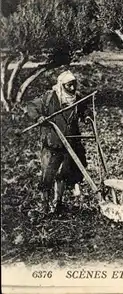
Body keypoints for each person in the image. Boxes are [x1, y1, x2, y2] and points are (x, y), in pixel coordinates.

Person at [26, 70, 91, 214]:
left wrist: (86, 117)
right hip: (52, 143)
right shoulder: (49, 98)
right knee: (48, 175)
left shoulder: (77, 98)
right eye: (69, 85)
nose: (73, 88)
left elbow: (84, 110)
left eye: (74, 85)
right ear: (62, 85)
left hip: (70, 142)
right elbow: (31, 106)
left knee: (63, 174)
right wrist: (38, 117)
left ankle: (58, 203)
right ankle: (45, 205)